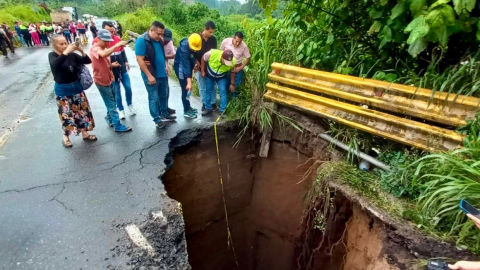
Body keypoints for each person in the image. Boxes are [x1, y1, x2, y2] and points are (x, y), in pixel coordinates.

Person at [48, 34, 96, 147]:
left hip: (77, 87)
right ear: (54, 45)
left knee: (82, 111)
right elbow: (55, 64)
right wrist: (66, 52)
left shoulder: (72, 55)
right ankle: (66, 136)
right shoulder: (52, 55)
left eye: (65, 43)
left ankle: (85, 133)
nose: (65, 45)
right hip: (63, 90)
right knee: (66, 114)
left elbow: (87, 60)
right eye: (61, 44)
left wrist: (81, 51)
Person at [89, 29, 132, 132]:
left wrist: (112, 65)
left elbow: (104, 61)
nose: (107, 43)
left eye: (109, 41)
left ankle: (109, 118)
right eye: (105, 41)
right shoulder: (95, 48)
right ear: (98, 39)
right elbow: (102, 54)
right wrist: (117, 45)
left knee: (111, 102)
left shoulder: (105, 48)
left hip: (110, 79)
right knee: (111, 104)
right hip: (101, 81)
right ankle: (117, 125)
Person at [135, 21, 176, 128]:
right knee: (153, 97)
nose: (160, 36)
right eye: (158, 33)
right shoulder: (142, 41)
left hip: (162, 73)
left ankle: (164, 113)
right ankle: (157, 119)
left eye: (162, 34)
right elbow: (140, 60)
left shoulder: (159, 40)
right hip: (152, 74)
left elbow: (161, 55)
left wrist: (165, 66)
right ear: (151, 30)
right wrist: (149, 75)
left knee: (164, 94)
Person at [93, 21, 136, 119]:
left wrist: (125, 61)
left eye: (113, 31)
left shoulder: (117, 39)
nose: (112, 34)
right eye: (109, 32)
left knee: (128, 87)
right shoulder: (97, 42)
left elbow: (122, 51)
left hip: (122, 68)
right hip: (111, 71)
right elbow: (102, 56)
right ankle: (120, 109)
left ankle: (130, 104)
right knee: (117, 91)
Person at [174, 33, 202, 119]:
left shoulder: (194, 43)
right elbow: (185, 66)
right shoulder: (184, 48)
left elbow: (193, 55)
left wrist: (195, 63)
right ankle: (186, 110)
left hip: (187, 67)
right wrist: (189, 82)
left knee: (187, 89)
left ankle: (188, 107)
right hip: (181, 68)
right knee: (185, 89)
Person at [200, 49, 236, 116]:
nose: (226, 64)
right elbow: (203, 58)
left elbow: (232, 72)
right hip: (210, 75)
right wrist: (202, 71)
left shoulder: (233, 61)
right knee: (208, 91)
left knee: (223, 92)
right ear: (222, 57)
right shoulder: (212, 53)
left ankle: (222, 111)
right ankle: (207, 108)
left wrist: (232, 84)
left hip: (221, 77)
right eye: (225, 61)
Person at [194, 21, 218, 111]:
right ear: (205, 29)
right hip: (199, 67)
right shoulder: (197, 38)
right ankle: (204, 103)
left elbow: (214, 53)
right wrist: (195, 62)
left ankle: (213, 103)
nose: (211, 34)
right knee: (202, 86)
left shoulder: (213, 39)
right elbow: (192, 52)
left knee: (213, 86)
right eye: (210, 32)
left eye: (213, 32)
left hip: (210, 68)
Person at [220, 31, 250, 97]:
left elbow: (248, 58)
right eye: (236, 41)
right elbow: (220, 52)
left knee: (236, 89)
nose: (238, 43)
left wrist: (241, 67)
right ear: (233, 37)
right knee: (225, 87)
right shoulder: (225, 42)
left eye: (240, 42)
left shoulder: (244, 46)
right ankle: (226, 104)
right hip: (226, 68)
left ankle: (234, 104)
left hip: (237, 69)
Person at [163, 28, 176, 115]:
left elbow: (173, 54)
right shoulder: (157, 42)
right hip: (156, 70)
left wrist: (164, 56)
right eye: (165, 40)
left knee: (166, 90)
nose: (167, 42)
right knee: (159, 92)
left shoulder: (169, 42)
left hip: (165, 68)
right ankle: (161, 111)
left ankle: (165, 107)